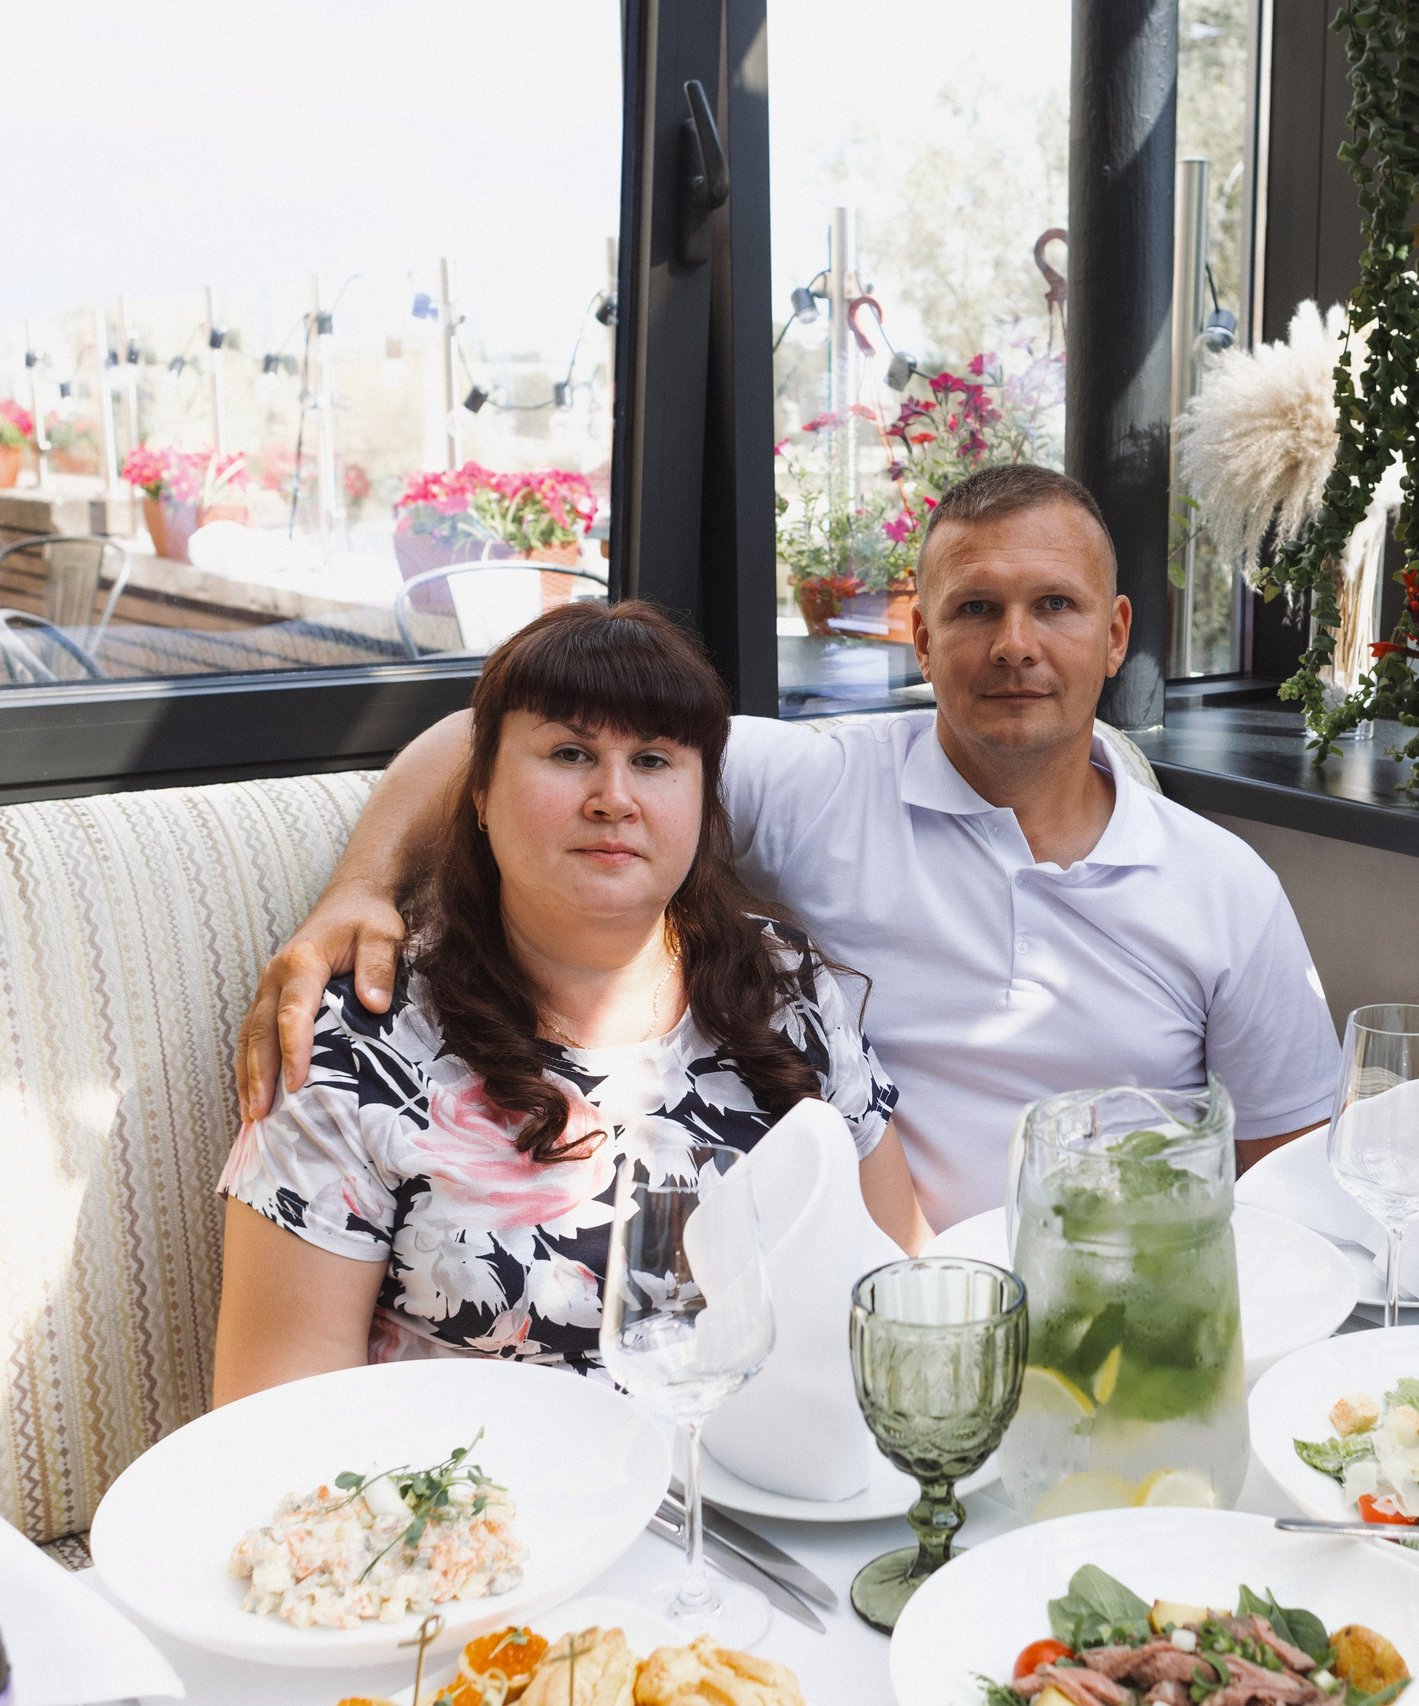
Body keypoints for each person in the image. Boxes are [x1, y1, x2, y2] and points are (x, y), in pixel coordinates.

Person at [237, 463, 1340, 1228]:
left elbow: (1291, 1183)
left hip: (1121, 1313)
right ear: (919, 635)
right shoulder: (819, 783)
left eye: (1053, 604)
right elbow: (502, 736)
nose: (1013, 645)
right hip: (883, 1309)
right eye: (972, 610)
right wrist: (361, 887)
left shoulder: (1222, 887)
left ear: (1114, 634)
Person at [211, 600, 925, 1405]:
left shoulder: (784, 987)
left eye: (654, 761)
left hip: (773, 1496)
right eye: (570, 752)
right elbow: (274, 1415)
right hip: (490, 1509)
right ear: (478, 794)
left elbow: (905, 1283)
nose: (613, 798)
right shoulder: (358, 1044)